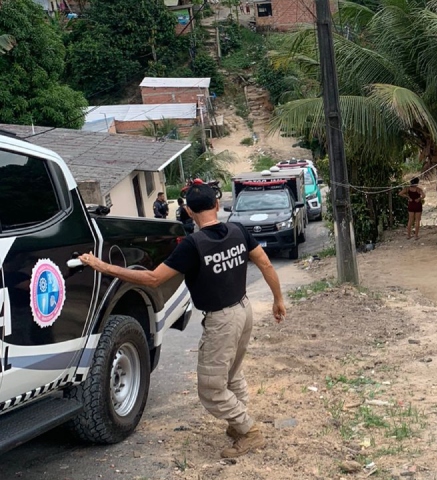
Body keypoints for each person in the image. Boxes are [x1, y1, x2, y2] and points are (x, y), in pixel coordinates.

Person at [77, 184, 286, 459]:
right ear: (216, 205)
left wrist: (102, 266)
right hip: (243, 310)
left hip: (222, 320)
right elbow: (266, 264)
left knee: (211, 388)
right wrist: (277, 299)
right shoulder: (238, 230)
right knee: (232, 373)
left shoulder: (193, 245)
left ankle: (248, 431)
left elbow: (153, 279)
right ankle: (238, 424)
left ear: (188, 211)